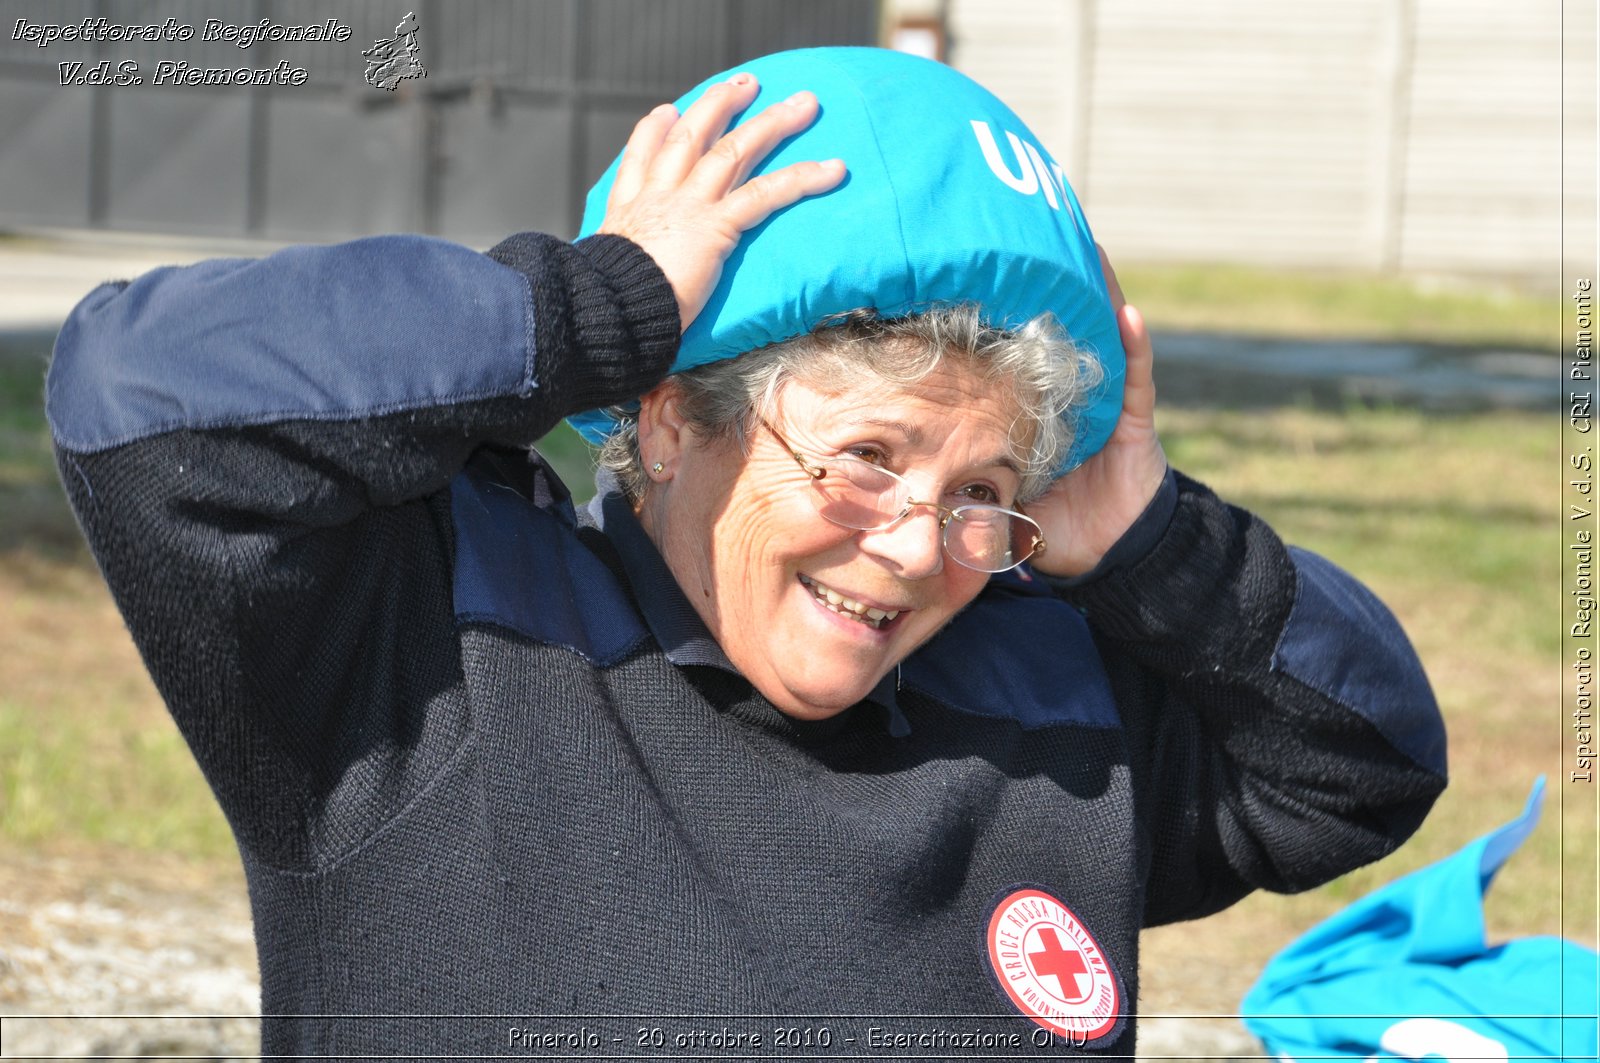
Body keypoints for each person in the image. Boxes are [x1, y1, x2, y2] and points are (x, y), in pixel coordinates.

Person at [47, 48, 1446, 1058]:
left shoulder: (1045, 700)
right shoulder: (435, 648)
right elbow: (147, 400)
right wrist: (597, 305)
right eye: (867, 458)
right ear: (666, 421)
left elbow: (1361, 764)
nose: (914, 548)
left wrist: (1152, 541)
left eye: (984, 485)